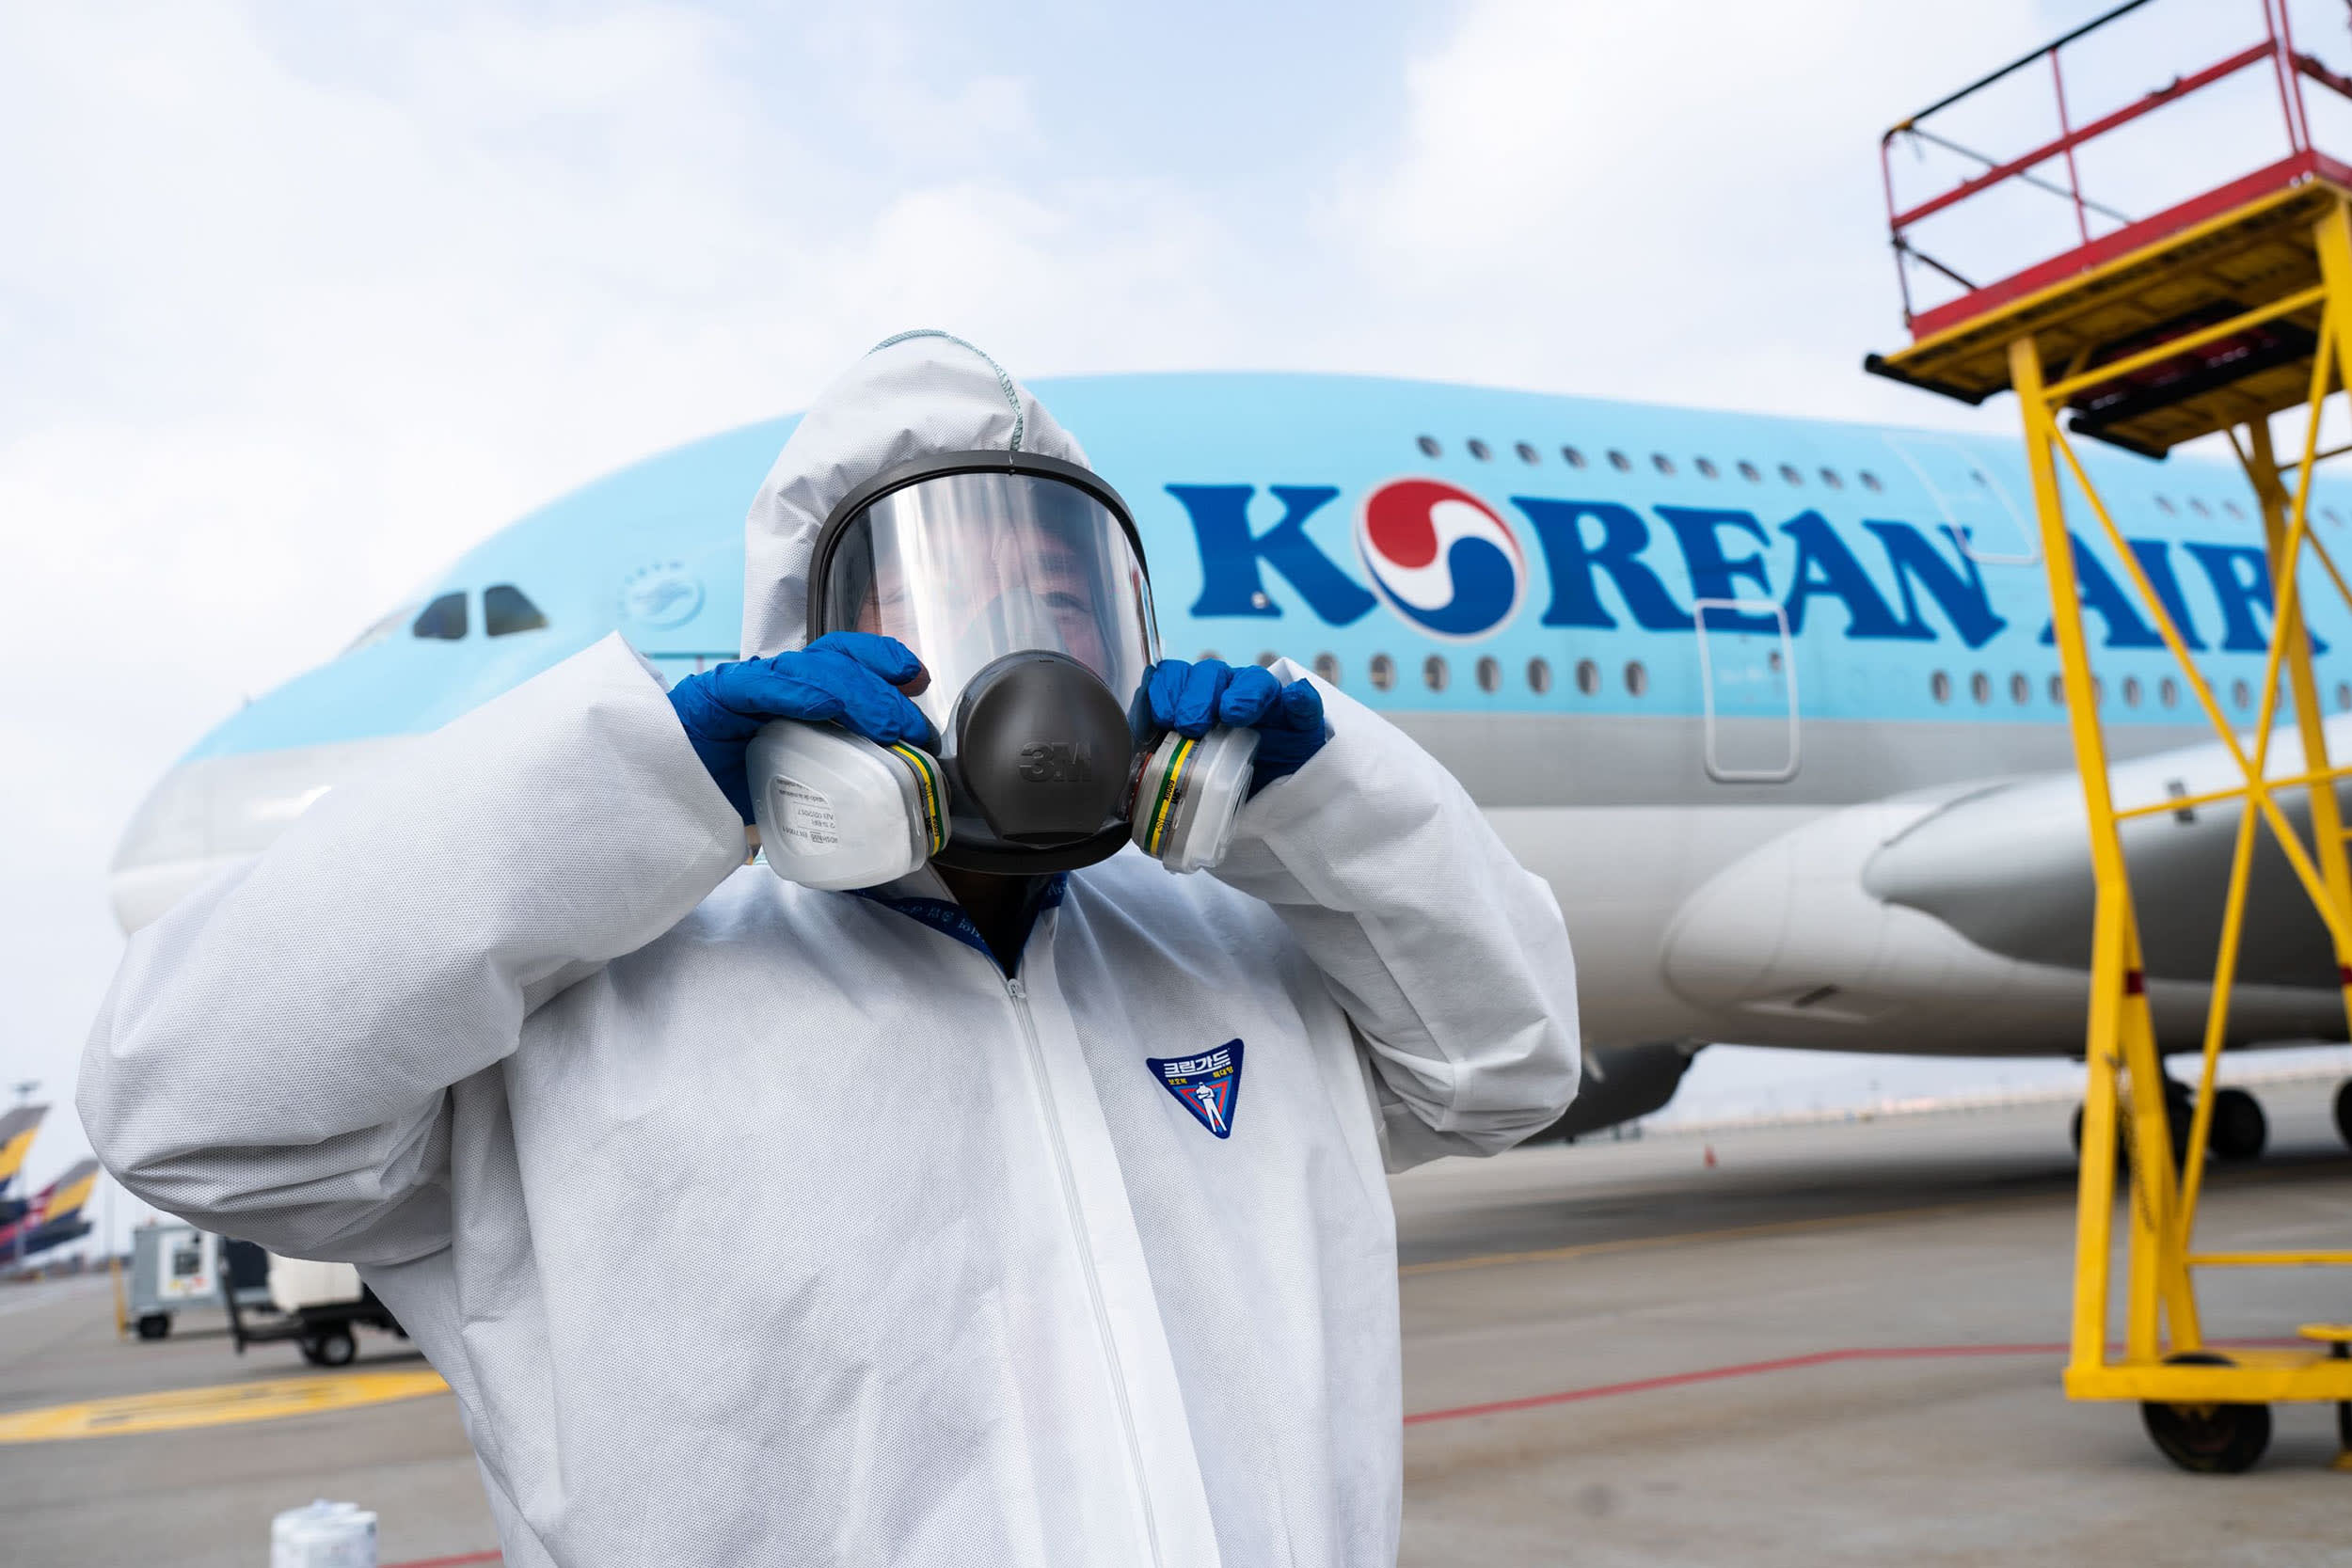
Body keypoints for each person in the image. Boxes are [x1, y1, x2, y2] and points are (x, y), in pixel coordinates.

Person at [80, 331, 1580, 1567]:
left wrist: (1337, 806)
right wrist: (633, 787)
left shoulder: (1225, 962)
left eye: (1063, 609)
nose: (1018, 666)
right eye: (948, 610)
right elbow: (184, 1102)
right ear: (805, 653)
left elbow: (1509, 1067)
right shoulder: (600, 1019)